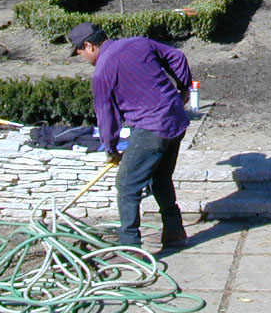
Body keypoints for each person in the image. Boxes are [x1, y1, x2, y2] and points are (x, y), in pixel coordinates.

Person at [68, 21, 192, 248]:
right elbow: (178, 57)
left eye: (81, 53)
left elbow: (107, 116)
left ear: (88, 45)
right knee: (160, 178)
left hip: (151, 128)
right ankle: (175, 231)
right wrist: (183, 90)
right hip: (176, 121)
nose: (84, 59)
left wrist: (111, 148)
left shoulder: (102, 72)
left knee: (126, 185)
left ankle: (130, 246)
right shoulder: (138, 43)